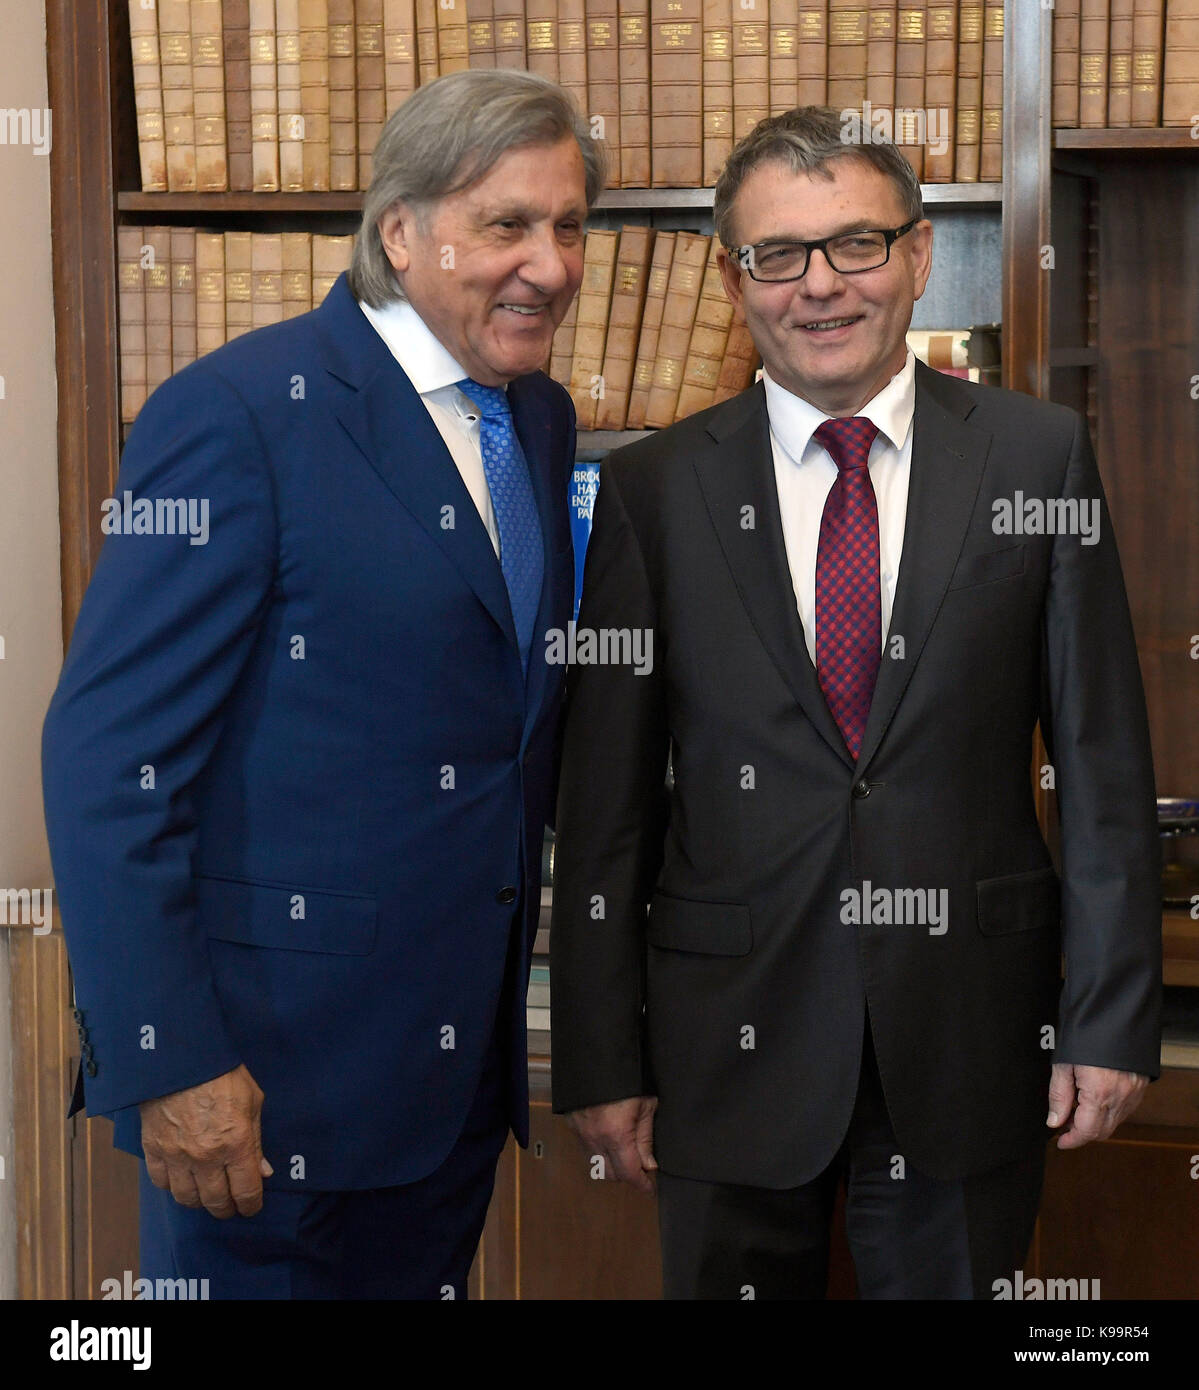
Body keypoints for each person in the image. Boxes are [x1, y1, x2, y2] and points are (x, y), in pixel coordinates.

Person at [549, 106, 1160, 1300]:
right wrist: (597, 1055)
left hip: (971, 1031)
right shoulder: (651, 491)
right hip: (722, 1041)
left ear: (918, 257)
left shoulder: (1037, 460)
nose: (817, 287)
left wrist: (1106, 1016)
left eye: (855, 246)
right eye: (777, 255)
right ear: (735, 280)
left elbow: (1098, 765)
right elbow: (605, 808)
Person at [42, 68, 602, 1300]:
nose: (552, 265)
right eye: (507, 224)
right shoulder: (239, 414)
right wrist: (169, 1059)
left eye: (570, 226)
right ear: (400, 232)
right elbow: (104, 759)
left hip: (447, 1094)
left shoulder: (538, 420)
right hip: (258, 1104)